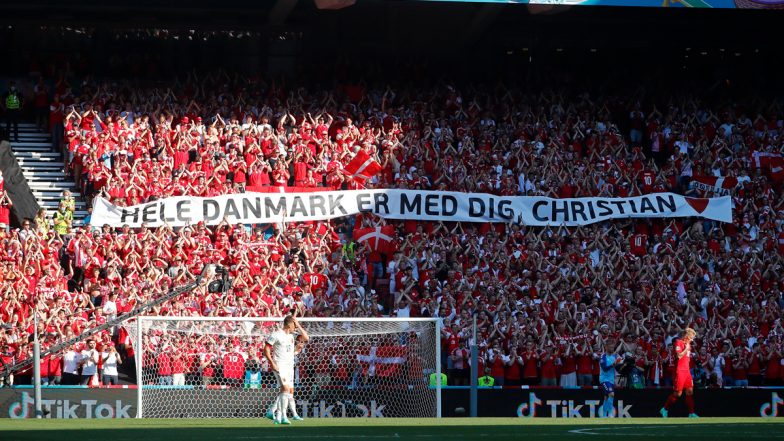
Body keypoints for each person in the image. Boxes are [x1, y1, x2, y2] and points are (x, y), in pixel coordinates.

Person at [264, 315, 309, 425]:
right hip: (279, 366)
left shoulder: (291, 336)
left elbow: (306, 338)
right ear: (289, 324)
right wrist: (272, 363)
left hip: (289, 367)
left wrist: (298, 324)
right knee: (285, 389)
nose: (295, 327)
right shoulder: (276, 335)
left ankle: (278, 415)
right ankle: (283, 415)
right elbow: (266, 349)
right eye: (294, 325)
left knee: (287, 391)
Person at [660, 328, 699, 418]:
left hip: (687, 371)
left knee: (690, 392)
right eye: (691, 337)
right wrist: (686, 349)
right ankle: (665, 409)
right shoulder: (678, 342)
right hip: (679, 371)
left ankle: (691, 413)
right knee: (678, 393)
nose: (692, 339)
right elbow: (679, 356)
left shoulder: (688, 344)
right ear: (686, 336)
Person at [599, 341, 622, 418]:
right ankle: (610, 413)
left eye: (613, 347)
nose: (612, 349)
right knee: (611, 394)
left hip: (611, 379)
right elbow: (604, 368)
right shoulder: (603, 357)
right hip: (604, 379)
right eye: (611, 347)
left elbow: (617, 368)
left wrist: (621, 365)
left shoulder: (614, 357)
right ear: (606, 347)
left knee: (606, 397)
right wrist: (613, 364)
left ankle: (604, 415)